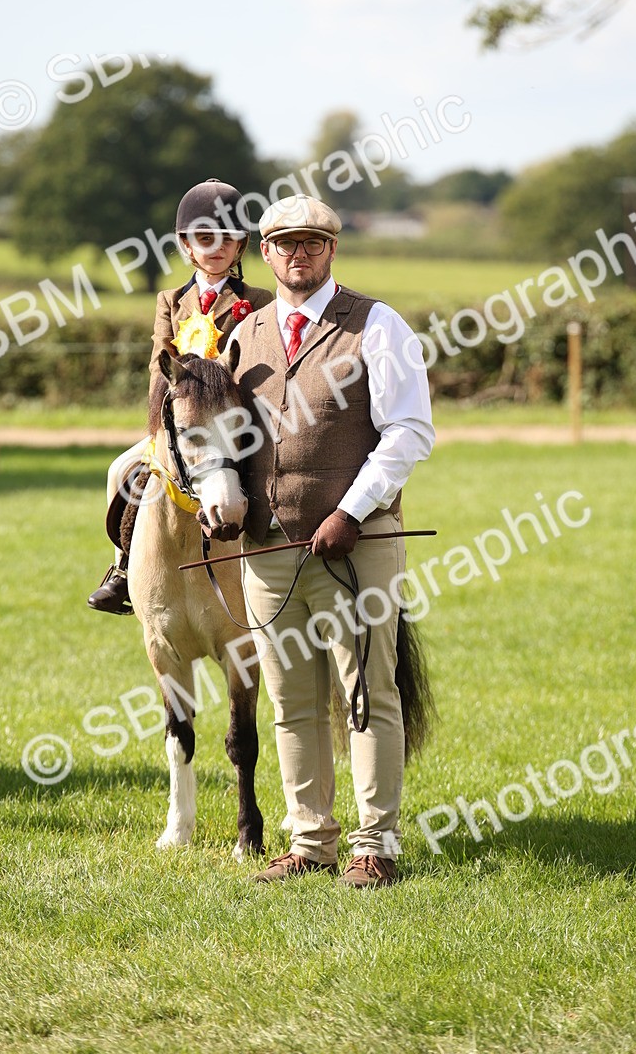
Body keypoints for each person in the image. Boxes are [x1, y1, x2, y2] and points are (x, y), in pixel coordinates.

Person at [231, 193, 435, 888]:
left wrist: (349, 512)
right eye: (285, 244)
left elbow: (409, 432)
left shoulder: (378, 324)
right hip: (266, 550)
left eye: (312, 243)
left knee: (368, 693)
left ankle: (375, 845)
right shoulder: (247, 333)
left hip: (358, 543)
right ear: (266, 253)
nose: (298, 254)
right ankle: (310, 842)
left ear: (332, 250)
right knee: (290, 701)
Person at [87, 178, 273, 615]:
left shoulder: (257, 300)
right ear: (187, 246)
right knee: (119, 469)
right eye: (204, 239)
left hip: (236, 422)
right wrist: (158, 430)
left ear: (240, 245)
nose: (215, 248)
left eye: (226, 240)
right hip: (184, 420)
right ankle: (122, 569)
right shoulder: (171, 299)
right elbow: (159, 363)